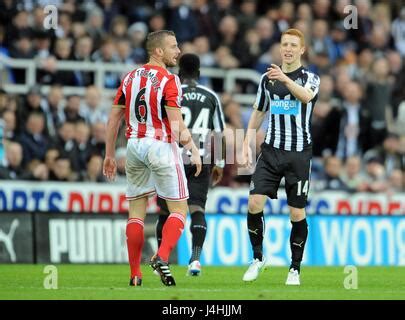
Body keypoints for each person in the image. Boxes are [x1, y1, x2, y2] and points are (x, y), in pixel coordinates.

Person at [103, 30, 202, 287]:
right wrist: (194, 149)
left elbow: (114, 118)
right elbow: (177, 125)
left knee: (136, 212)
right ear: (158, 51)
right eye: (173, 46)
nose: (178, 51)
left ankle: (135, 274)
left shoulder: (130, 77)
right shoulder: (170, 80)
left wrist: (110, 154)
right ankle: (162, 256)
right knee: (179, 209)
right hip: (160, 146)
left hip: (134, 146)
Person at [242, 28, 320, 285]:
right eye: (284, 44)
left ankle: (294, 268)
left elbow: (306, 97)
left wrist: (285, 80)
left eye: (292, 45)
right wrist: (245, 142)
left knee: (296, 212)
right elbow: (259, 111)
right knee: (254, 202)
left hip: (298, 154)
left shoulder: (310, 78)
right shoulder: (267, 80)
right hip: (271, 151)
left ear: (302, 50)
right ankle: (257, 258)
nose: (287, 48)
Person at [155, 53, 226, 276]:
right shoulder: (210, 95)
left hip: (172, 158)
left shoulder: (171, 92)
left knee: (166, 212)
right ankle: (195, 259)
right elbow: (220, 132)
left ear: (178, 72)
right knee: (197, 209)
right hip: (201, 159)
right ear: (199, 72)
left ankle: (161, 259)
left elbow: (160, 126)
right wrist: (221, 163)